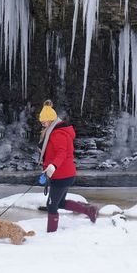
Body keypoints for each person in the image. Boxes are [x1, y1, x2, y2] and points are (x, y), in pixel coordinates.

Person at [38, 99, 98, 232]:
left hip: (62, 175)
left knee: (51, 205)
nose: (43, 124)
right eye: (42, 122)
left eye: (44, 122)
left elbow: (62, 154)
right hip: (63, 174)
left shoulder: (58, 134)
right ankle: (89, 210)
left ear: (52, 120)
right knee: (60, 203)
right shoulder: (53, 132)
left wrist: (53, 166)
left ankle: (51, 233)